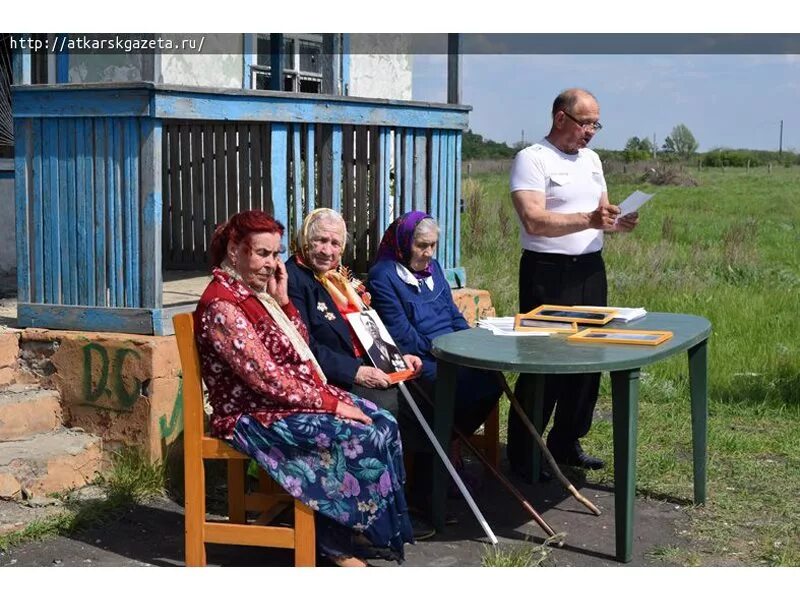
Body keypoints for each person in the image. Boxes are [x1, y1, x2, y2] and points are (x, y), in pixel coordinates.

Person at [193, 209, 413, 567]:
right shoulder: (223, 304)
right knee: (355, 434)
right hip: (249, 413)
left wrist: (282, 301)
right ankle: (334, 546)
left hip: (279, 401)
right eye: (262, 253)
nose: (271, 263)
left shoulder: (254, 292)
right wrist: (330, 403)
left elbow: (299, 346)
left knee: (383, 422)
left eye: (275, 254)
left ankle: (356, 525)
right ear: (235, 251)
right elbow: (266, 378)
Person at [508, 88, 639, 475]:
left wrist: (618, 222)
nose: (592, 131)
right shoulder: (531, 160)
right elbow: (533, 219)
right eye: (586, 123)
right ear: (560, 117)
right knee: (543, 362)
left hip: (590, 270)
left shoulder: (593, 160)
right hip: (546, 273)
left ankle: (566, 441)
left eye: (596, 123)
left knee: (587, 361)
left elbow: (603, 214)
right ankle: (524, 452)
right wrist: (590, 220)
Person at [367, 211, 500, 451]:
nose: (428, 253)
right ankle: (438, 453)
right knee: (462, 384)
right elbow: (402, 335)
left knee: (492, 377)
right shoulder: (384, 275)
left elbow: (453, 315)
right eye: (421, 246)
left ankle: (449, 442)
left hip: (451, 352)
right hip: (422, 358)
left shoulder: (434, 268)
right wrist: (449, 354)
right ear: (405, 242)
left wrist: (472, 345)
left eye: (432, 245)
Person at [285, 208, 422, 417]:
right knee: (391, 404)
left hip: (367, 362)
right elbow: (303, 345)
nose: (327, 251)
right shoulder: (292, 279)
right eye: (320, 240)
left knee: (425, 387)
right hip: (333, 374)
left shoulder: (337, 277)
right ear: (305, 239)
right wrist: (356, 372)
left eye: (335, 244)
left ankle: (422, 450)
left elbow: (368, 325)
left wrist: (397, 358)